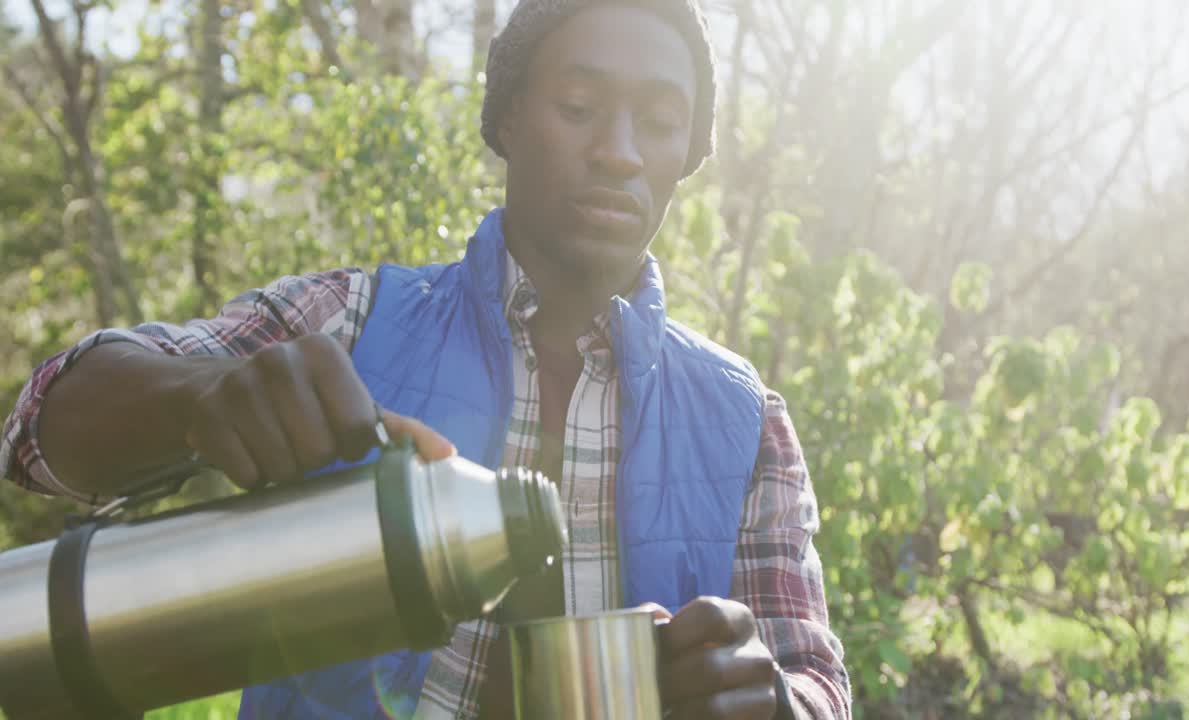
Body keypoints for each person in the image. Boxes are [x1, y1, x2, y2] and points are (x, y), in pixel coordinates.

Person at [0, 0, 852, 717]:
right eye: (581, 107)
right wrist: (197, 396)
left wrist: (774, 699)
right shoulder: (351, 323)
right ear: (509, 117)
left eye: (660, 124)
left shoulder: (746, 421)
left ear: (687, 159)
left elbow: (815, 680)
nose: (621, 151)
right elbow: (36, 433)